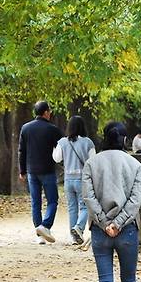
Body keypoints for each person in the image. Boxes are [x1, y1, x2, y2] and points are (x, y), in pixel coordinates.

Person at [82, 121, 141, 282]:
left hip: (100, 231)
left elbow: (88, 197)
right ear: (125, 140)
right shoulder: (135, 164)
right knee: (129, 280)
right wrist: (118, 223)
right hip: (127, 230)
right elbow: (136, 200)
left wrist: (104, 222)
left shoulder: (91, 164)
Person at [18, 100, 63, 243]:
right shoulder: (53, 129)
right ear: (45, 112)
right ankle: (45, 226)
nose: (50, 113)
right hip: (48, 170)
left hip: (32, 170)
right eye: (49, 111)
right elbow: (62, 147)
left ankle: (39, 234)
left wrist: (22, 170)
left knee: (35, 202)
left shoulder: (26, 128)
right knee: (52, 200)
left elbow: (21, 151)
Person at [53, 115, 95, 244]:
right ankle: (78, 228)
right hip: (82, 179)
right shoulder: (87, 142)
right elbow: (93, 161)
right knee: (85, 206)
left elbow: (56, 158)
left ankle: (74, 237)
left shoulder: (63, 142)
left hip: (68, 179)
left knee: (72, 208)